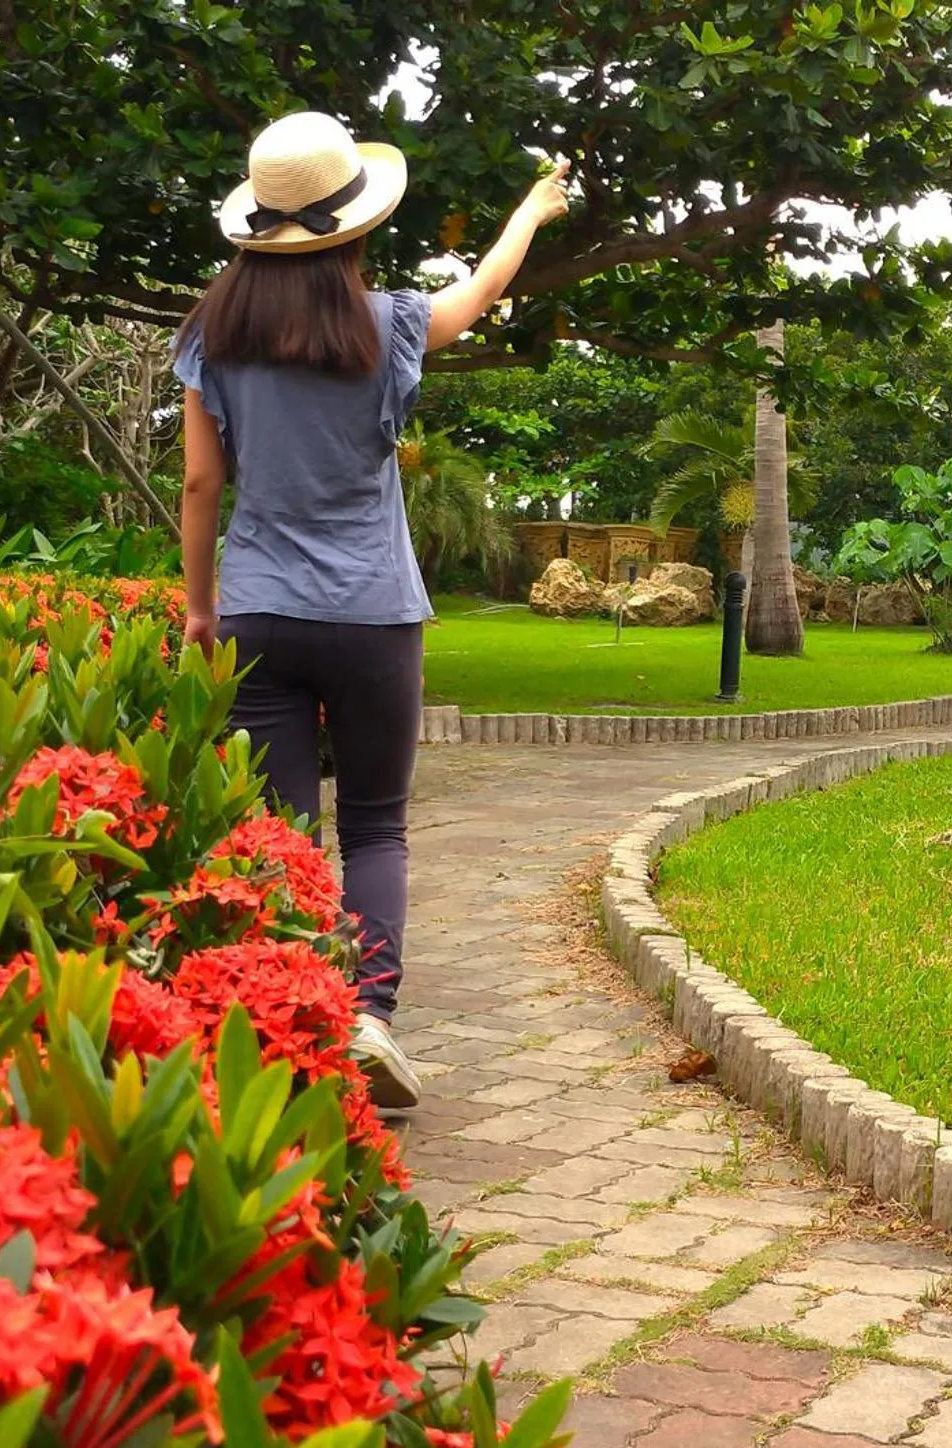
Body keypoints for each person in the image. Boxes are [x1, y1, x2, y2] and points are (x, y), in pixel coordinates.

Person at [173, 111, 571, 1110]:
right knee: (378, 826)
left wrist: (196, 607)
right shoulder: (387, 324)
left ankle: (287, 1021)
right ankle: (366, 1018)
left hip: (258, 609)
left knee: (282, 830)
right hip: (372, 613)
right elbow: (480, 291)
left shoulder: (210, 337)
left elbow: (197, 484)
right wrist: (531, 207)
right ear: (352, 228)